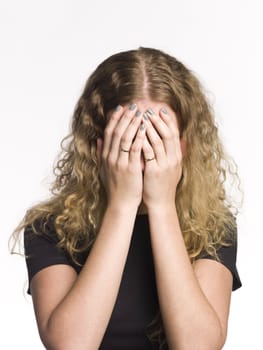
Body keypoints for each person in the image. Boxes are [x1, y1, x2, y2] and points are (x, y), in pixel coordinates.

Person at [11, 46, 242, 350]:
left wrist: (162, 207)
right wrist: (121, 206)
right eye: (129, 139)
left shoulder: (212, 227)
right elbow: (71, 345)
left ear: (185, 145)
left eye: (160, 139)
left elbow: (197, 346)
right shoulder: (49, 228)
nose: (145, 155)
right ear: (98, 145)